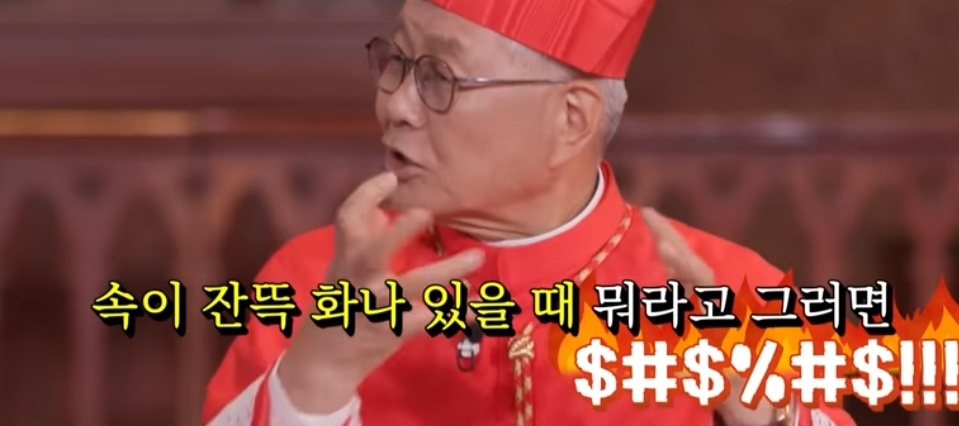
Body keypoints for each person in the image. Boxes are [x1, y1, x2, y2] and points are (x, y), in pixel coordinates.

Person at [202, 0, 858, 425]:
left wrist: (767, 415)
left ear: (570, 120)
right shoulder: (318, 279)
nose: (395, 105)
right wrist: (315, 379)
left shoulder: (732, 295)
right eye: (395, 62)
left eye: (438, 78)